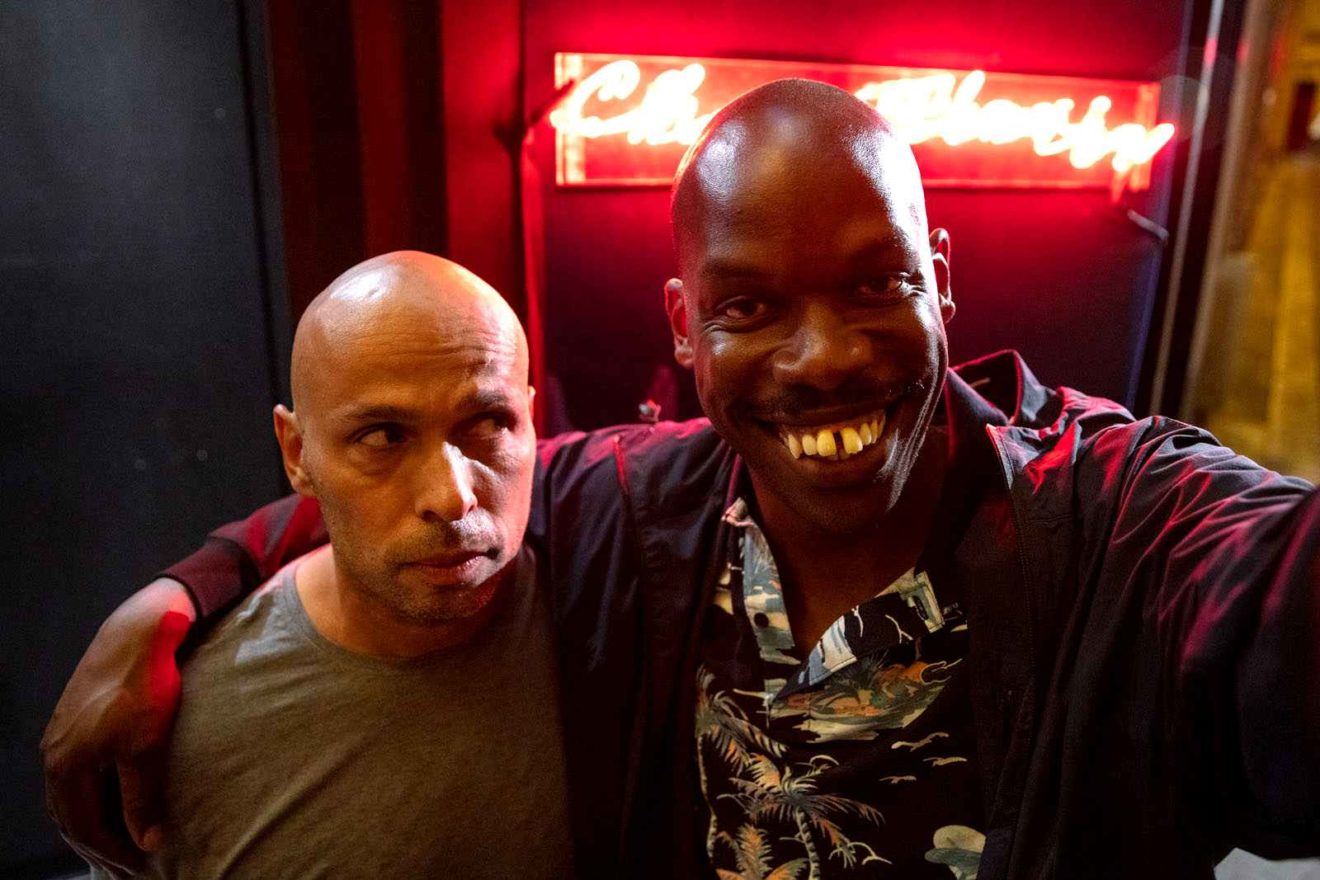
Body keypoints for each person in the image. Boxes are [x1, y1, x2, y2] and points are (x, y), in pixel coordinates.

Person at [44, 80, 1319, 879]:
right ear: (684, 329)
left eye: (876, 284)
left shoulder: (1128, 522)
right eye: (751, 306)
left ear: (941, 279)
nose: (825, 357)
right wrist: (177, 595)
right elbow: (424, 487)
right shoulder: (633, 509)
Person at [81, 251, 574, 878]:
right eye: (383, 436)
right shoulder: (189, 717)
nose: (452, 497)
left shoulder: (612, 606)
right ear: (297, 454)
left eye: (488, 422)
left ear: (531, 419)